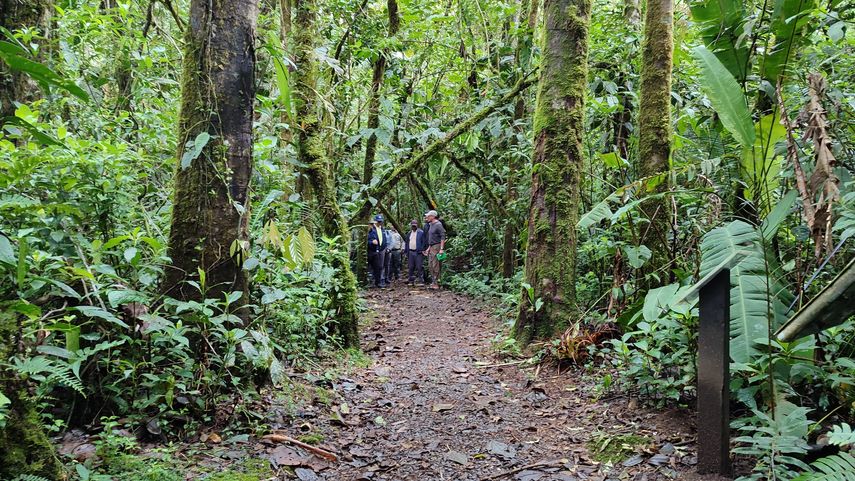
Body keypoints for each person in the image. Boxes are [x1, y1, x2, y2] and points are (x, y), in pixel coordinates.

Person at [422, 210, 446, 289]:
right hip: (431, 246)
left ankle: (437, 283)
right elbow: (431, 238)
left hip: (437, 246)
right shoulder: (431, 225)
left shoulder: (438, 224)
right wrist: (428, 248)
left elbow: (443, 236)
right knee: (430, 265)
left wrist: (441, 249)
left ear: (432, 216)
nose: (427, 217)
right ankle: (433, 281)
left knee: (435, 265)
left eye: (428, 216)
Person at [367, 215, 390, 288]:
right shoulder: (371, 229)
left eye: (380, 221)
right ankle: (371, 282)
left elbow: (384, 239)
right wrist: (372, 242)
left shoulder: (382, 229)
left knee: (380, 266)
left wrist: (385, 247)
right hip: (373, 251)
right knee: (372, 267)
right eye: (378, 221)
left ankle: (379, 282)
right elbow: (367, 240)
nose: (379, 223)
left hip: (381, 250)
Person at [404, 220, 425, 286]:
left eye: (415, 226)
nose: (413, 227)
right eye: (412, 226)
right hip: (410, 252)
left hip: (418, 252)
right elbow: (407, 243)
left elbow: (424, 242)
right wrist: (406, 251)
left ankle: (421, 281)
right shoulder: (409, 233)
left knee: (419, 267)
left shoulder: (421, 232)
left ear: (417, 225)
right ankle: (411, 280)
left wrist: (422, 250)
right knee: (411, 267)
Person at [422, 214, 432, 285]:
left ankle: (432, 279)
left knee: (432, 263)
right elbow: (424, 237)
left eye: (426, 216)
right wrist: (424, 248)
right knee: (426, 263)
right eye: (425, 217)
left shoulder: (434, 224)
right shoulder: (425, 226)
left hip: (433, 246)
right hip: (426, 247)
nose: (425, 218)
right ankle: (426, 278)